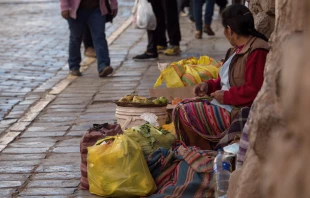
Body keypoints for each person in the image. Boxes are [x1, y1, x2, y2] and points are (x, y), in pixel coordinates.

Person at [173, 4, 270, 150]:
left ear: (229, 30)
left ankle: (204, 152)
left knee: (183, 111)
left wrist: (226, 97)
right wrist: (209, 86)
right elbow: (225, 80)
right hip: (227, 103)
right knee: (183, 104)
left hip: (239, 111)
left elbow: (254, 89)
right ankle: (203, 149)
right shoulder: (234, 50)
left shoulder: (257, 51)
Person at [59, 0, 117, 77]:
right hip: (76, 10)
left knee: (99, 37)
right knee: (75, 39)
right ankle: (74, 67)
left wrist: (113, 4)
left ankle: (103, 66)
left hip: (97, 9)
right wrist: (64, 7)